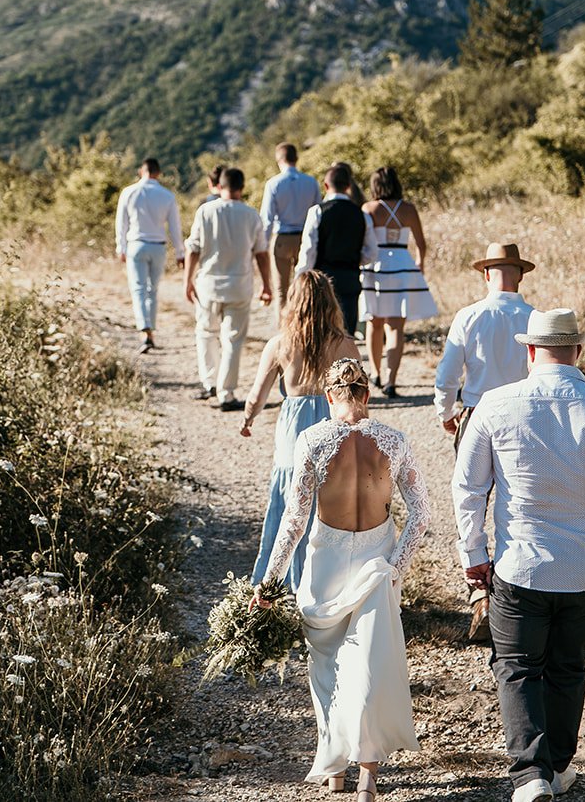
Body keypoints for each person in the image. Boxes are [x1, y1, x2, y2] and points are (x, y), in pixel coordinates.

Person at [454, 308, 585, 801]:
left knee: (517, 666)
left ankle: (530, 775)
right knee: (569, 666)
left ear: (529, 351)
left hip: (519, 564)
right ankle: (560, 766)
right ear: (579, 352)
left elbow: (468, 488)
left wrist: (474, 553)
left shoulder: (495, 405)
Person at [255, 358, 430, 800]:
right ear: (367, 395)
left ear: (329, 397)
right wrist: (396, 566)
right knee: (371, 664)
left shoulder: (311, 440)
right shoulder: (395, 441)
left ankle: (334, 770)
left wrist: (270, 581)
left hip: (326, 565)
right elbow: (421, 515)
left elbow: (294, 520)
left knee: (327, 667)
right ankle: (366, 779)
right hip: (376, 563)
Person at [433, 241, 537, 639]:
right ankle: (518, 589)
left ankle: (479, 592)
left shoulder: (470, 316)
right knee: (519, 500)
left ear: (485, 274)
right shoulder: (535, 317)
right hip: (523, 415)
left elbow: (447, 374)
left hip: (477, 414)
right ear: (520, 274)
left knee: (471, 498)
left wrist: (447, 413)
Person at [238, 270, 360, 590]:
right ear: (330, 303)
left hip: (294, 433)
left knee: (290, 503)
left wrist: (248, 419)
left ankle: (280, 580)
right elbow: (357, 395)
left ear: (293, 302)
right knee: (329, 503)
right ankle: (326, 581)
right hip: (333, 427)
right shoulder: (345, 344)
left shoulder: (280, 345)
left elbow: (257, 394)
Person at [184, 167, 270, 411]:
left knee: (205, 332)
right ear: (242, 188)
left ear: (219, 186)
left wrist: (187, 280)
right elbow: (261, 253)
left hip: (209, 283)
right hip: (239, 285)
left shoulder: (205, 211)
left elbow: (193, 248)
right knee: (233, 340)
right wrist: (267, 284)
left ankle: (209, 381)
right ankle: (227, 393)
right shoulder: (251, 215)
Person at [360, 166, 437, 398]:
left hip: (376, 265)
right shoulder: (409, 209)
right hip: (403, 265)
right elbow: (422, 244)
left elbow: (364, 240)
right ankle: (392, 380)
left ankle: (375, 372)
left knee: (374, 323)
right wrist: (419, 263)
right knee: (396, 327)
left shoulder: (369, 208)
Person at [295, 163, 378, 338]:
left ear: (325, 186)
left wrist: (300, 276)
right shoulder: (361, 214)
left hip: (322, 281)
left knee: (321, 333)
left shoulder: (317, 212)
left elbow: (309, 250)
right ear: (348, 186)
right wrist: (354, 259)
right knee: (346, 335)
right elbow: (371, 253)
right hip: (350, 278)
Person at [115, 157, 185, 354]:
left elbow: (121, 223)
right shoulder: (167, 196)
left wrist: (120, 246)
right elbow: (175, 227)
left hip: (136, 244)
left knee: (138, 289)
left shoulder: (128, 192)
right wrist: (180, 252)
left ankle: (144, 330)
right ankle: (151, 330)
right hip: (158, 246)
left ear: (141, 171)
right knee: (152, 290)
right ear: (158, 173)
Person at [259, 142, 320, 313]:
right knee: (305, 288)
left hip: (282, 238)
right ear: (296, 158)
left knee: (282, 291)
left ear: (279, 159)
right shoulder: (311, 182)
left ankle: (283, 332)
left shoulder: (273, 184)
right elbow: (318, 212)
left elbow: (267, 219)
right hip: (305, 237)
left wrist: (262, 246)